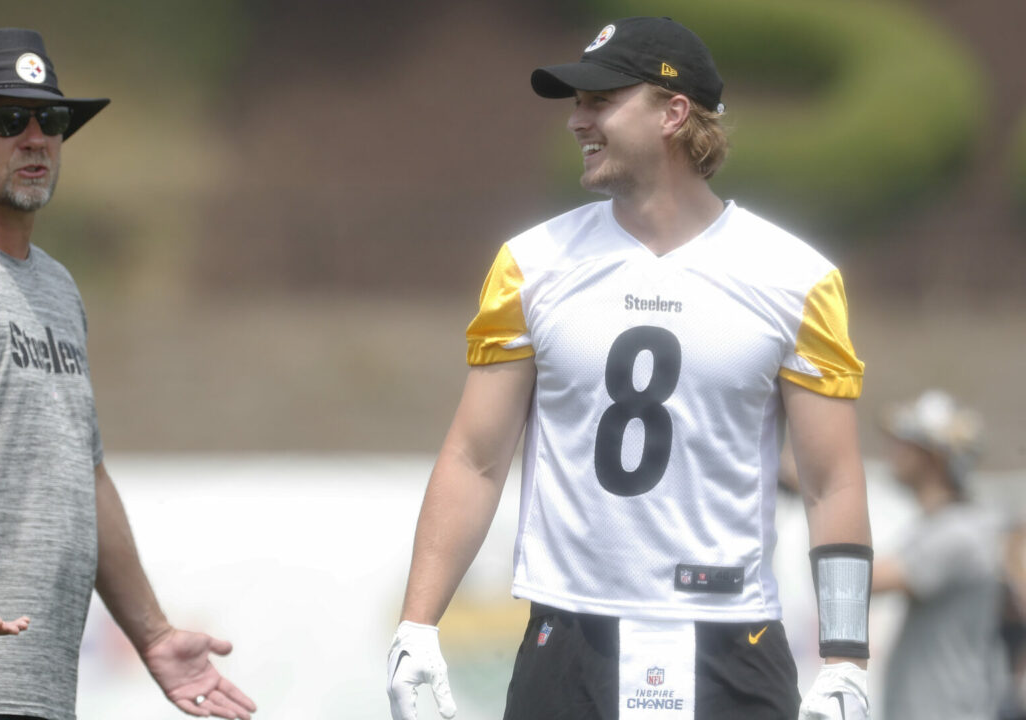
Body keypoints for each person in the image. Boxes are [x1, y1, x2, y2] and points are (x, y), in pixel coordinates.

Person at [386, 16, 873, 720]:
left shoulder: (796, 278)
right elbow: (475, 458)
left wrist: (846, 658)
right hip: (569, 637)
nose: (576, 122)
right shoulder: (531, 264)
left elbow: (833, 483)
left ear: (673, 112)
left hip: (734, 641)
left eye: (599, 101)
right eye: (576, 105)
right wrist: (417, 627)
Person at [0, 28, 256, 720]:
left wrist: (154, 635)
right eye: (9, 121)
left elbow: (85, 474)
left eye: (52, 121)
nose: (35, 138)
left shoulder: (58, 288)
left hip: (36, 683)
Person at [871, 390, 1009, 720]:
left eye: (907, 442)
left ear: (933, 456)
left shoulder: (957, 534)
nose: (895, 450)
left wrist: (824, 498)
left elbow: (864, 582)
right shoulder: (945, 526)